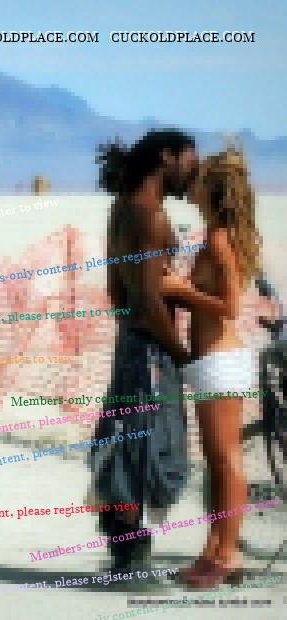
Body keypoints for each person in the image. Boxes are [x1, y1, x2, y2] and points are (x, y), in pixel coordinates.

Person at [91, 129, 199, 571]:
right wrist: (181, 354)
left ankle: (123, 545)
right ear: (166, 157)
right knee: (148, 446)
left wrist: (131, 332)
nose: (193, 171)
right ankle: (130, 557)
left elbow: (117, 289)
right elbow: (152, 301)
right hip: (152, 348)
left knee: (126, 439)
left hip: (131, 345)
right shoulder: (151, 217)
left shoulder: (122, 206)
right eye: (190, 160)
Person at [160, 148, 262, 587]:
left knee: (225, 460)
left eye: (198, 179)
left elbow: (229, 307)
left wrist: (179, 290)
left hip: (222, 360)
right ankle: (212, 550)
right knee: (215, 462)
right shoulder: (212, 236)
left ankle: (228, 555)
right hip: (210, 361)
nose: (190, 185)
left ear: (212, 189)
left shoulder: (219, 240)